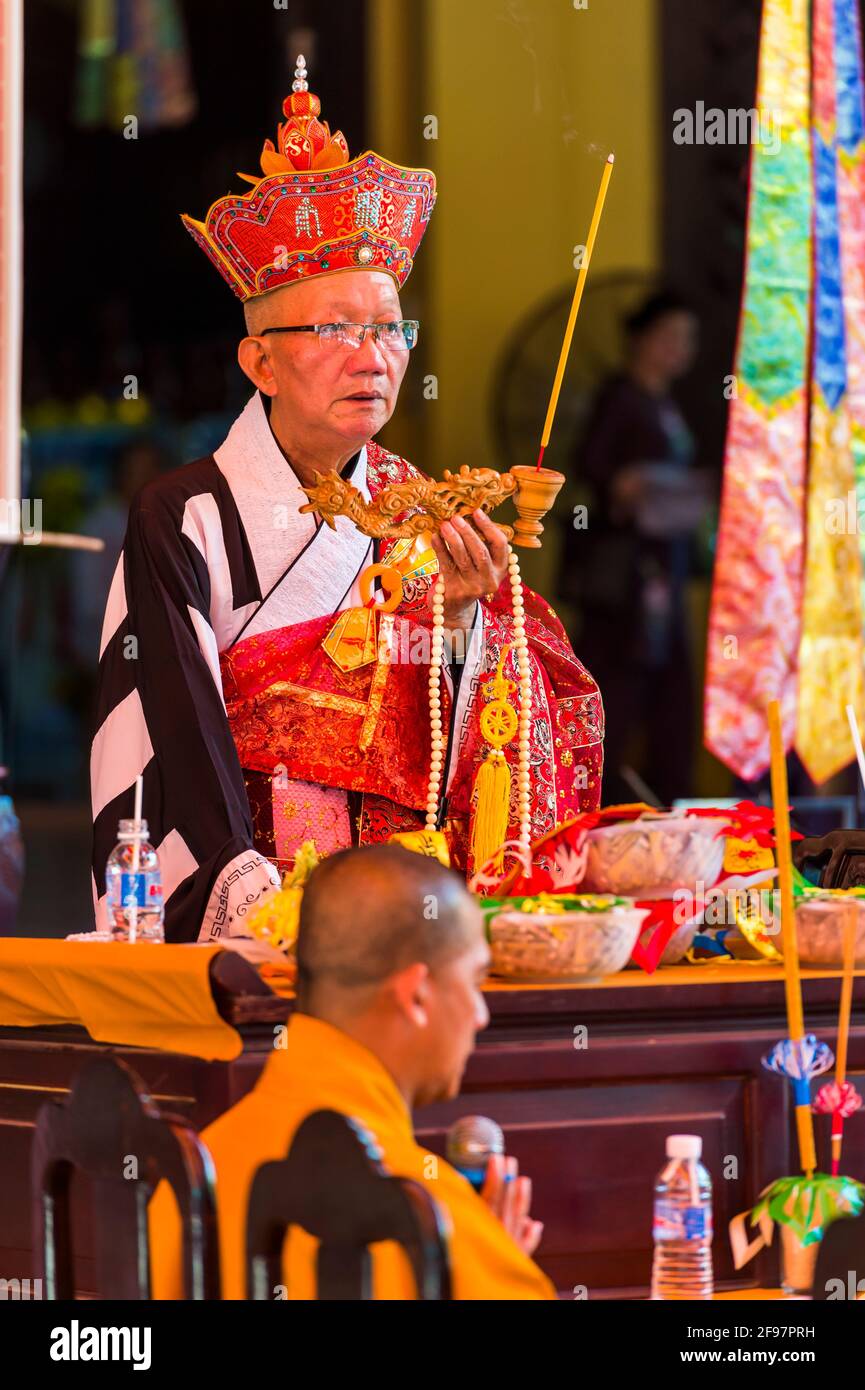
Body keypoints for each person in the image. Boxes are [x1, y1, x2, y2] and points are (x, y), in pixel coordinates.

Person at [90, 56, 603, 942]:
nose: (373, 356)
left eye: (387, 328)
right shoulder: (185, 516)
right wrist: (257, 911)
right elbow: (170, 728)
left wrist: (454, 632)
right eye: (334, 328)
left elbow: (518, 710)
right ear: (260, 364)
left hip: (404, 901)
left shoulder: (423, 508)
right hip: (259, 900)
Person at [148, 845, 554, 1300]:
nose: (481, 1015)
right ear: (416, 996)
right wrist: (487, 1264)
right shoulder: (433, 1217)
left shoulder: (188, 1186)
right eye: (474, 982)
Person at [559, 289, 706, 806]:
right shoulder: (619, 398)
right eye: (669, 338)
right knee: (617, 689)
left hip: (665, 570)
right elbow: (594, 472)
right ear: (639, 340)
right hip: (626, 580)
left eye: (686, 340)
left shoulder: (667, 405)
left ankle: (667, 805)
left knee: (670, 694)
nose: (679, 350)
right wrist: (638, 487)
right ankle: (598, 805)